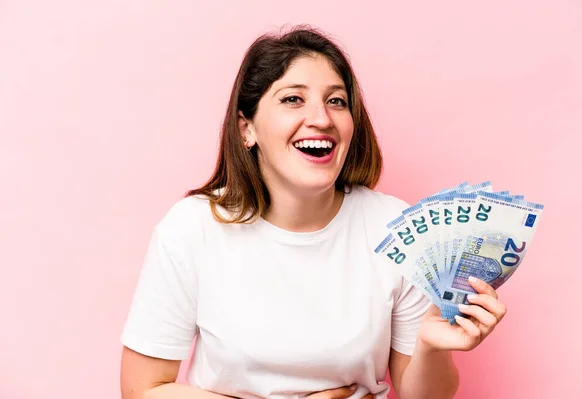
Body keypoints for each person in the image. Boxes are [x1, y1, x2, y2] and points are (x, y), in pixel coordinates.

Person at [119, 25, 507, 399]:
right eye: (293, 99)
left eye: (336, 101)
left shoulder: (395, 230)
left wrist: (431, 347)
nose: (322, 118)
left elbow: (424, 395)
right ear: (245, 129)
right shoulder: (193, 227)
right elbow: (142, 389)